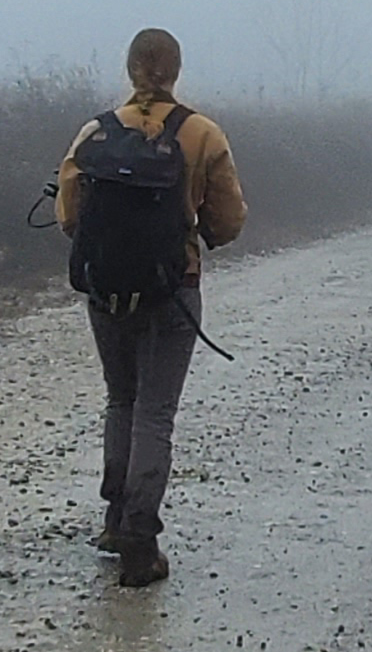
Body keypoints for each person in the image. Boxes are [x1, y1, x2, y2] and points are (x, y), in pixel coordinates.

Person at [55, 29, 244, 588]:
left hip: (106, 290)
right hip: (172, 290)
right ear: (176, 71)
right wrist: (195, 229)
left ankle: (115, 521)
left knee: (121, 398)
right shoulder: (202, 133)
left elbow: (70, 214)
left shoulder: (95, 131)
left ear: (131, 68)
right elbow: (229, 223)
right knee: (155, 412)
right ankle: (141, 537)